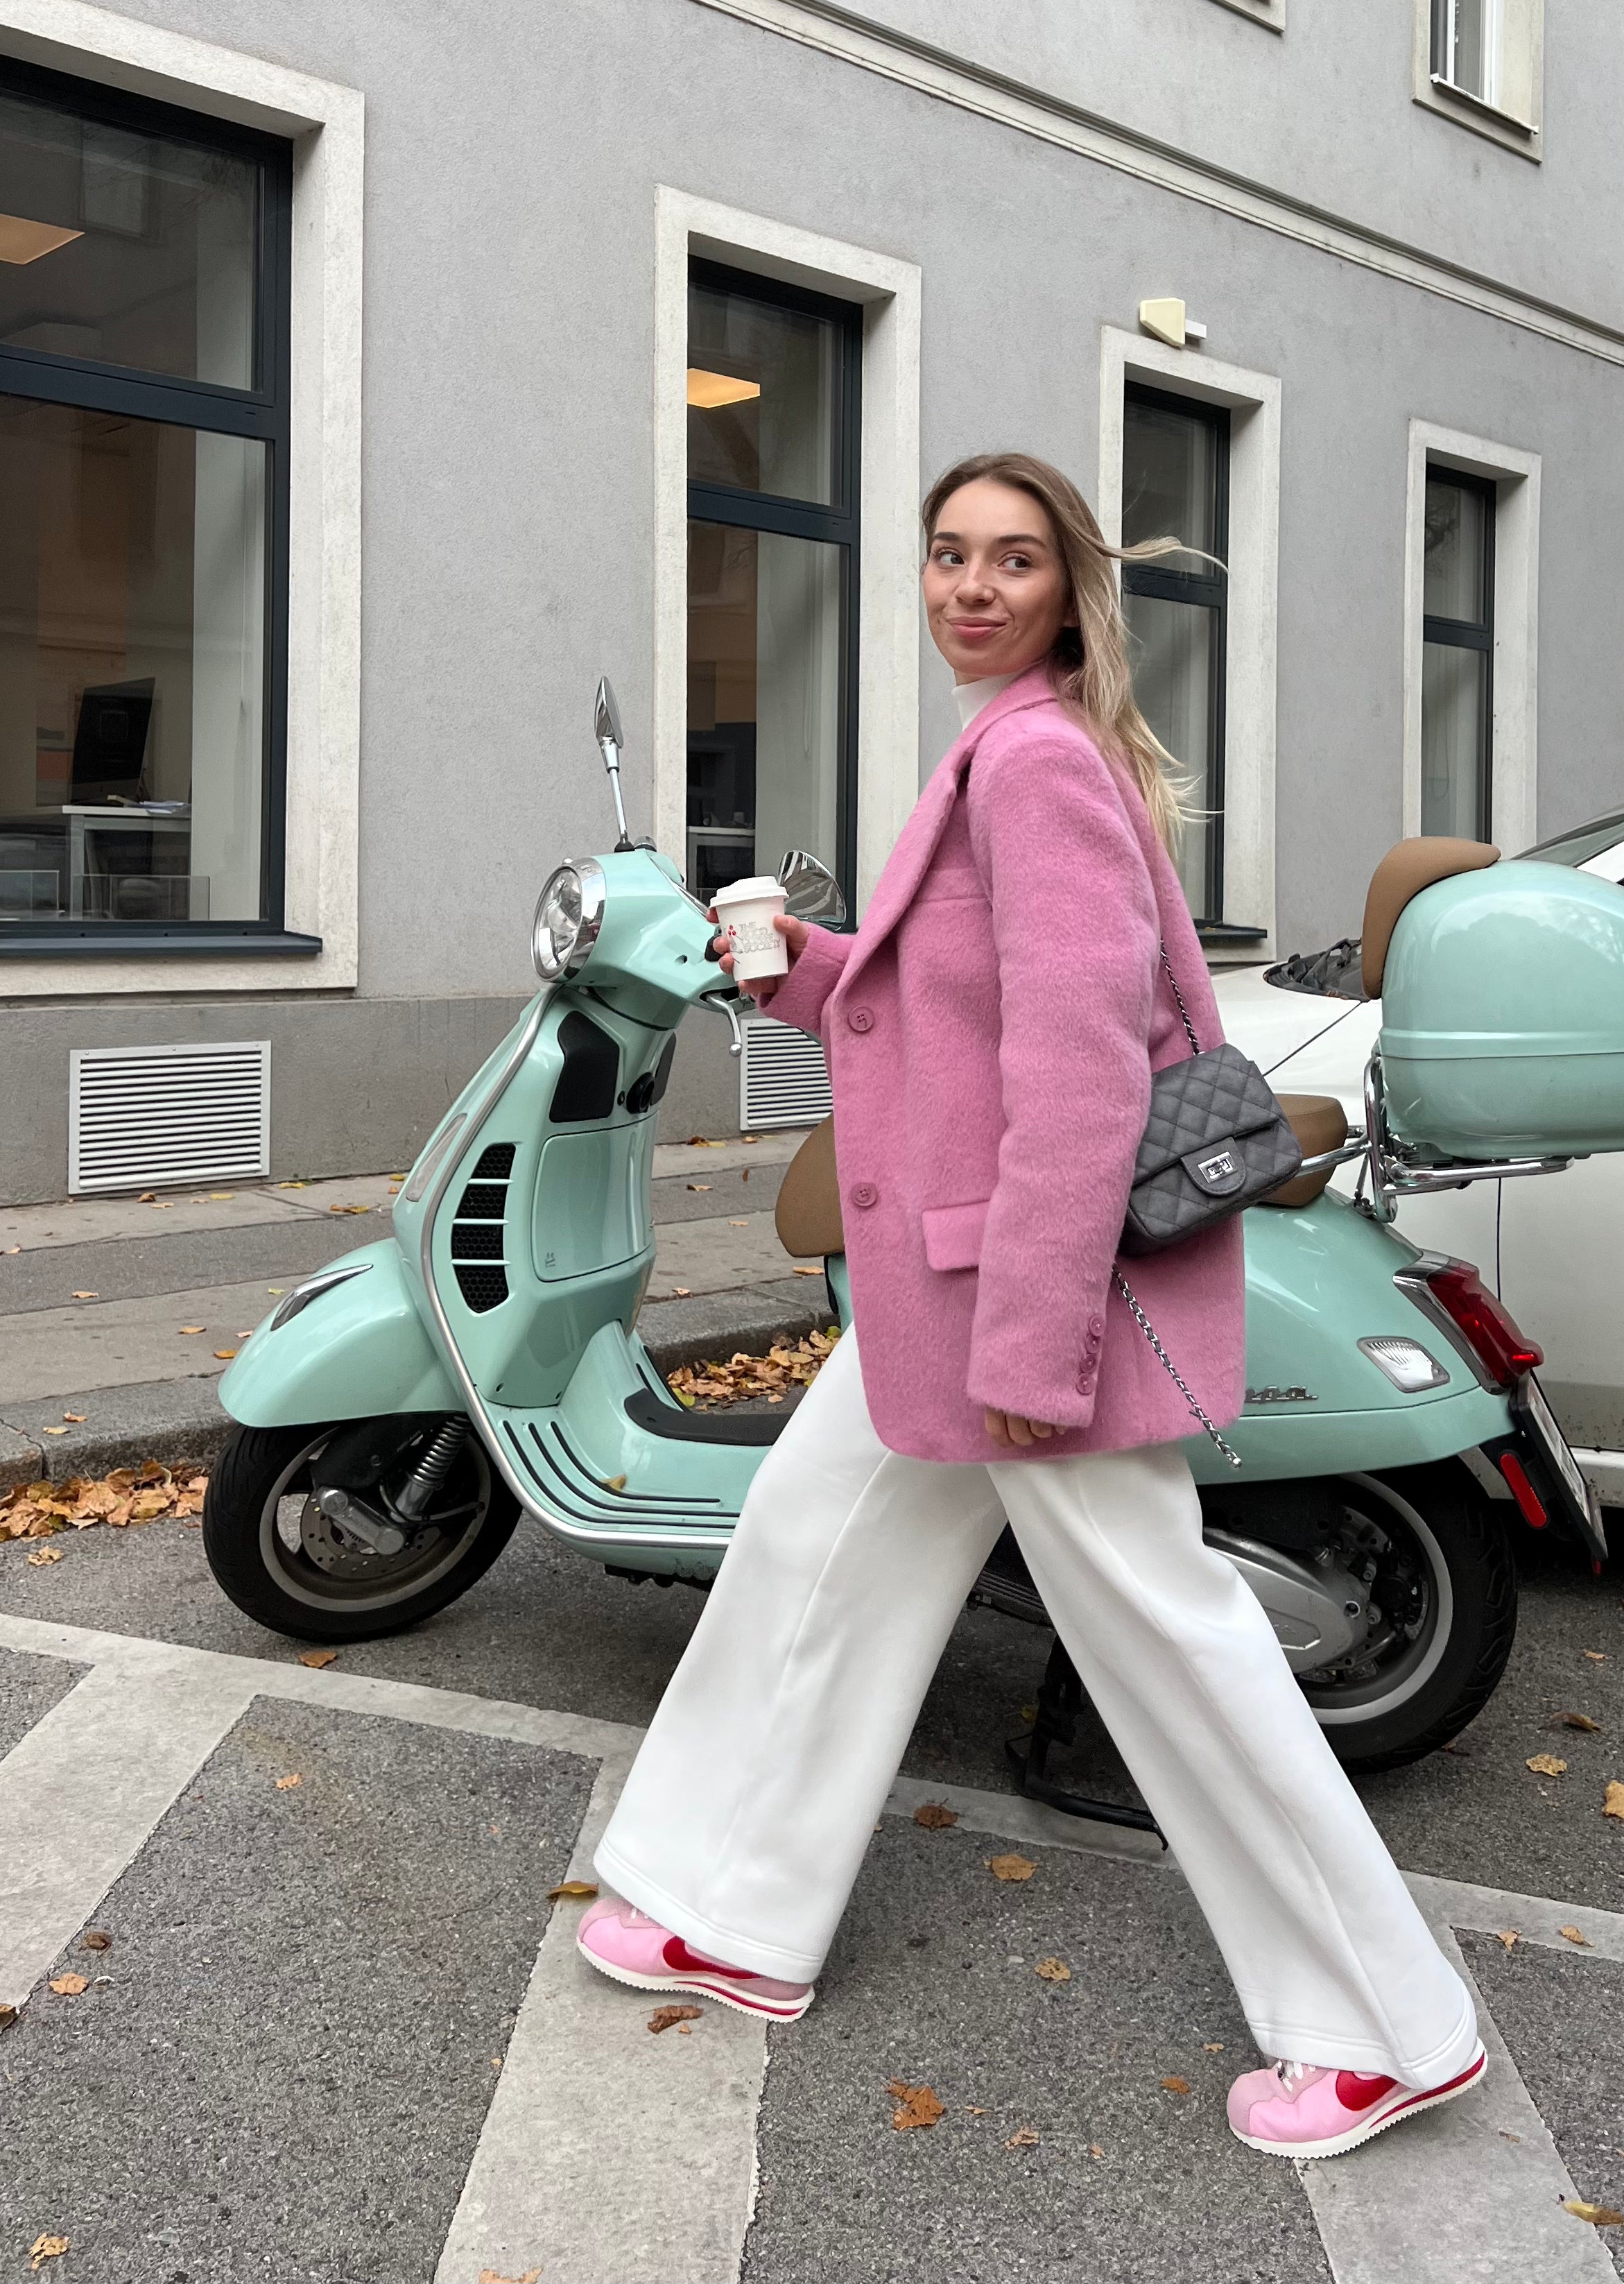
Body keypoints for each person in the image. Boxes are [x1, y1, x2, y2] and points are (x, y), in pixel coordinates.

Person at [578, 452, 1485, 2161]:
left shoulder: (1038, 764)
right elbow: (958, 1013)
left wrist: (1034, 1341)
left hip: (1013, 1288)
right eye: (947, 555)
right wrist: (802, 965)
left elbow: (1077, 1074)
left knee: (1167, 1634)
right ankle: (728, 1908)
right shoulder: (1007, 748)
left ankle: (1381, 2030)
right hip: (947, 1280)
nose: (971, 587)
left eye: (1010, 560)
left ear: (1067, 589)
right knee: (808, 1549)